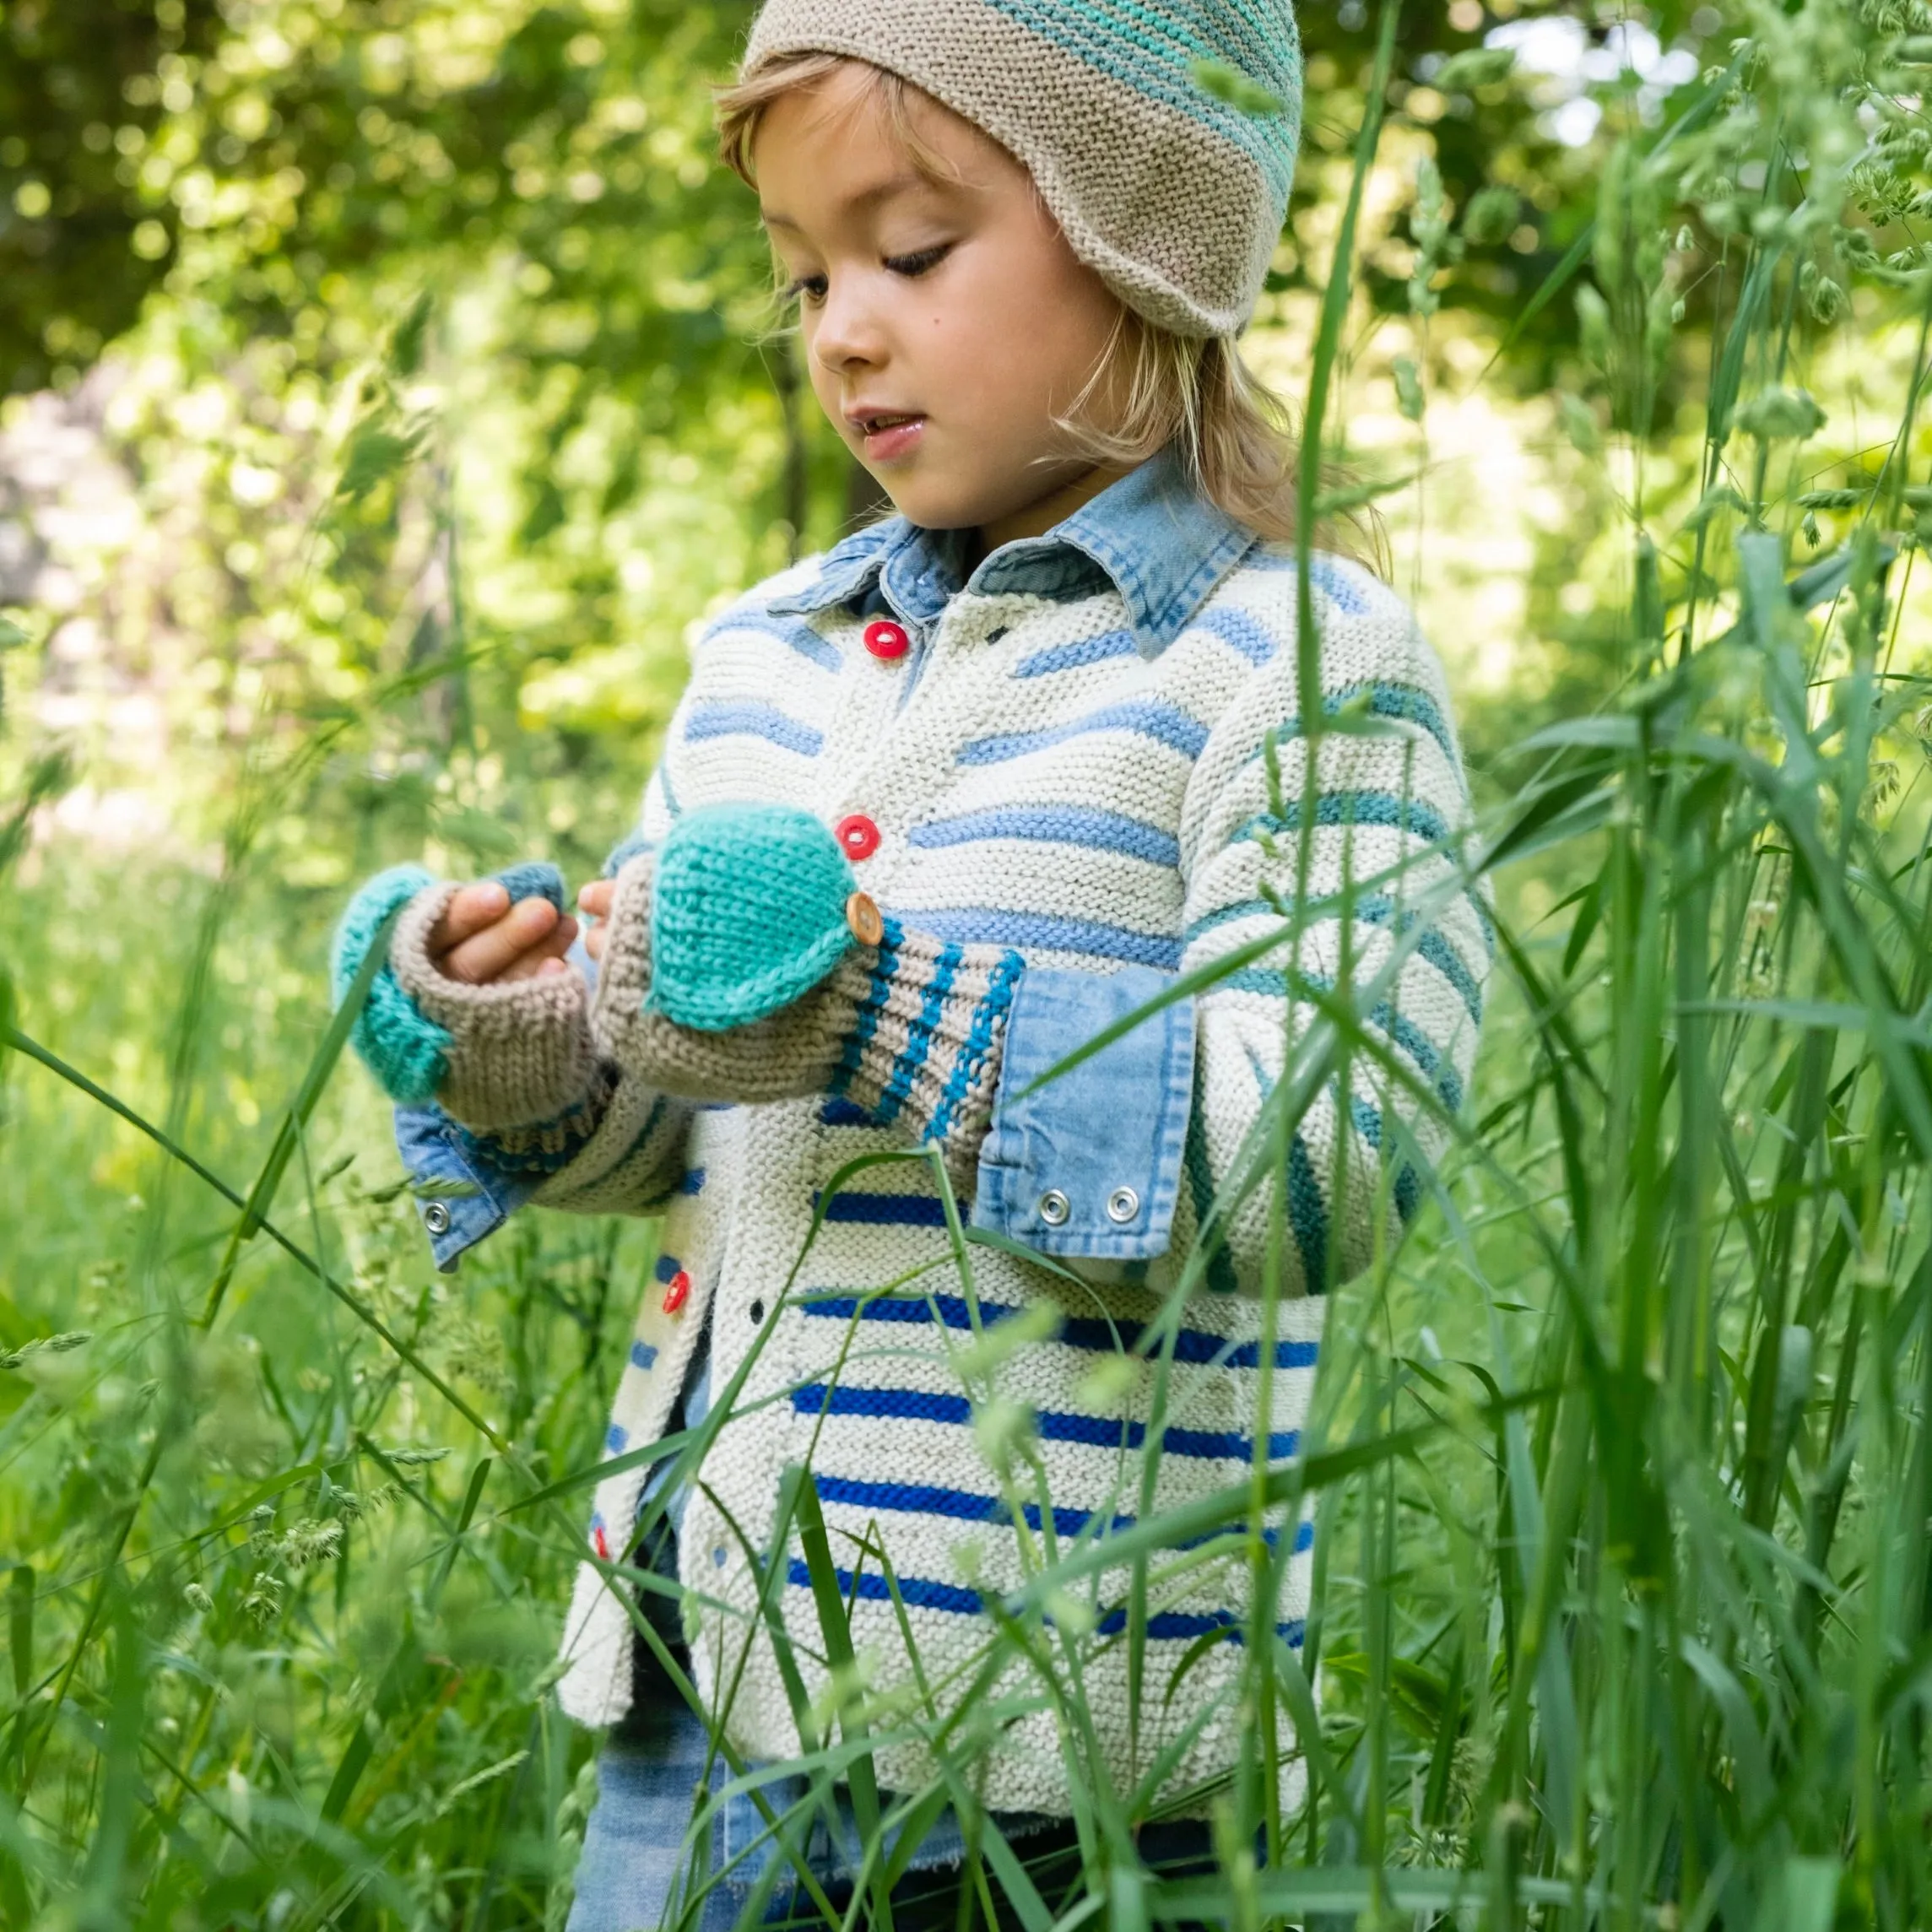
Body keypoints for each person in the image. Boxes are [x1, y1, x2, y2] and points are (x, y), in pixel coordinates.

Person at [328, 3, 1488, 1924]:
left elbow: (1331, 1151)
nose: (841, 328)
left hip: (1053, 1737)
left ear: (1146, 227)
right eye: (801, 277)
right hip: (697, 1671)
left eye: (912, 250)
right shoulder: (761, 657)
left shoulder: (1291, 667)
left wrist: (874, 1008)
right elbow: (677, 1124)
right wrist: (522, 1036)